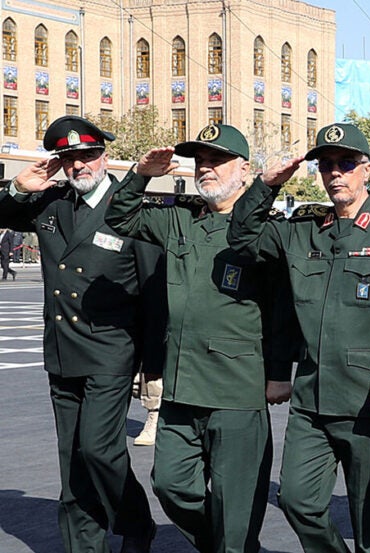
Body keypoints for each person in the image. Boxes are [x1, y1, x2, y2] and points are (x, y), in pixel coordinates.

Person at [227, 122, 370, 553]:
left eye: (346, 163)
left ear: (367, 170)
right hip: (313, 400)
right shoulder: (301, 229)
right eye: (326, 165)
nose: (336, 173)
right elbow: (242, 236)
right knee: (297, 501)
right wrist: (267, 185)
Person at [104, 124, 296, 553]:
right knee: (170, 484)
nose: (205, 169)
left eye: (217, 160)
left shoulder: (267, 230)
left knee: (237, 504)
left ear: (244, 169)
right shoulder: (180, 219)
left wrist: (279, 372)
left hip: (236, 388)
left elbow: (283, 308)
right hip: (181, 385)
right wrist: (140, 174)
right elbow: (119, 216)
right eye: (200, 161)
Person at [0, 115, 162, 553]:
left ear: (104, 156)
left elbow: (152, 293)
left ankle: (134, 521)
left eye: (87, 155)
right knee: (72, 460)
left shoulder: (132, 209)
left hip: (112, 351)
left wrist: (153, 364)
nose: (79, 166)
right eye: (69, 159)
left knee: (98, 450)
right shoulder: (52, 204)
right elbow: (3, 213)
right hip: (62, 351)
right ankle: (83, 546)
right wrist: (19, 186)